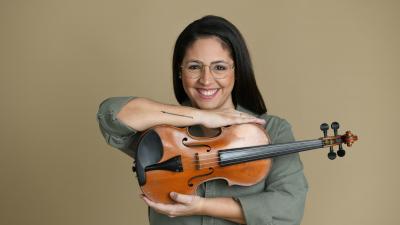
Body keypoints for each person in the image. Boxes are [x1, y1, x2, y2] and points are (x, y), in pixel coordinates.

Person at [97, 15, 308, 225]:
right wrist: (203, 116)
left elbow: (288, 210)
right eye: (194, 67)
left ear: (237, 70)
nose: (206, 80)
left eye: (220, 67)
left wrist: (200, 207)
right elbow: (111, 114)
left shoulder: (271, 130)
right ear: (180, 71)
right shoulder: (166, 132)